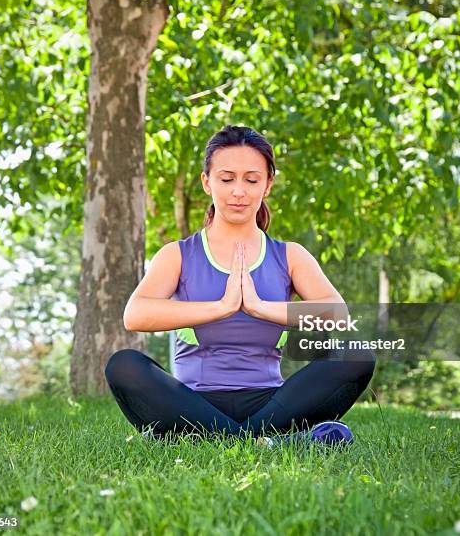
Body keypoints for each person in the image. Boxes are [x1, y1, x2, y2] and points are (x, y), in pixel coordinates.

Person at [105, 125, 376, 444]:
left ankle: (211, 439)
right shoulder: (177, 255)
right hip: (193, 404)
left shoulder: (289, 255)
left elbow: (338, 316)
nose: (238, 191)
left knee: (357, 353)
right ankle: (270, 442)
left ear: (268, 185)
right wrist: (222, 307)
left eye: (251, 180)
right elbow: (135, 314)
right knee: (123, 365)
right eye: (226, 178)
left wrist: (259, 307)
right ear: (207, 182)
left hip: (272, 405)